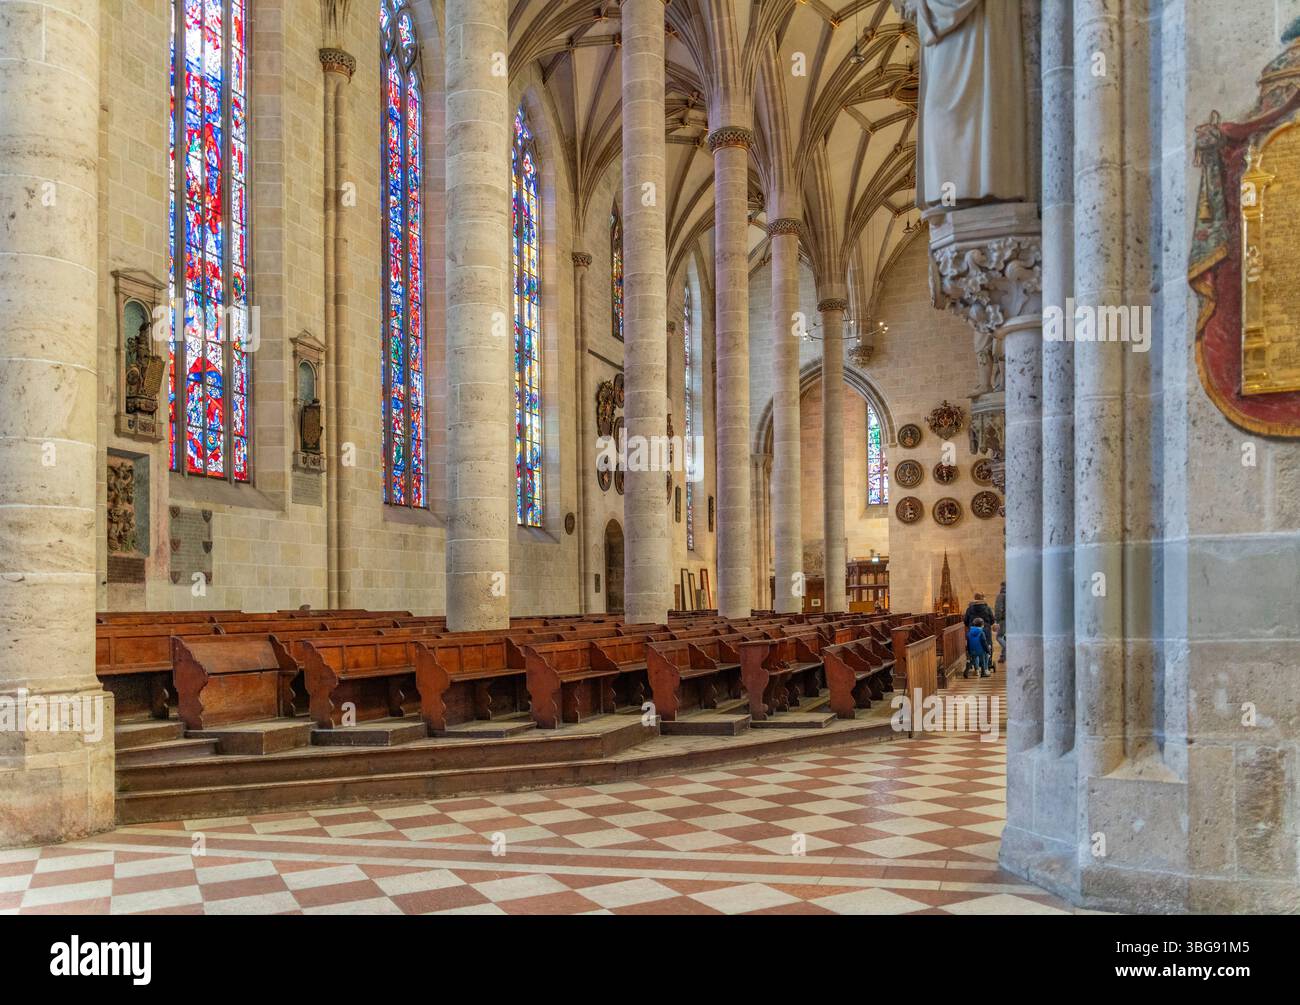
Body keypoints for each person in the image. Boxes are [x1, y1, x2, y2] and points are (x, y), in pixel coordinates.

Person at [994, 582, 1006, 664]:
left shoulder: (1001, 595)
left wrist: (997, 620)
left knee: (999, 637)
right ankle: (1003, 656)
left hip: (1004, 619)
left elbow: (998, 609)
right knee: (1005, 637)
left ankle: (1007, 649)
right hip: (1014, 620)